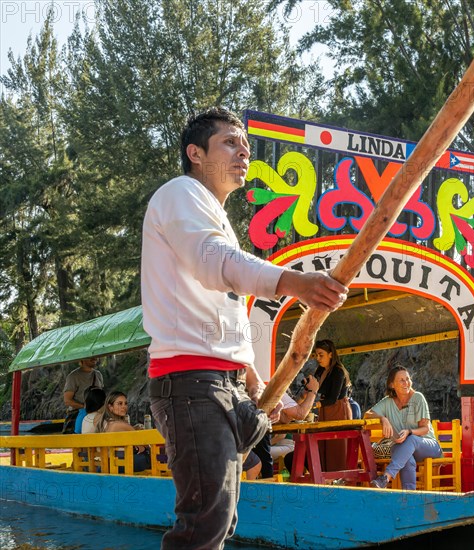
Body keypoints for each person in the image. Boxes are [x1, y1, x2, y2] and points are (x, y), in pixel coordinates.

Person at [141, 107, 348, 550]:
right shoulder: (181, 193)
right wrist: (296, 282)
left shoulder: (213, 216)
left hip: (222, 384)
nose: (244, 152)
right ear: (195, 153)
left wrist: (251, 381)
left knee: (223, 519)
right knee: (203, 524)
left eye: (246, 146)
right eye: (230, 143)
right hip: (192, 382)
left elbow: (223, 312)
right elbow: (215, 264)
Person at [367, 365, 442, 490]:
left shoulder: (418, 398)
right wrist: (383, 419)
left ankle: (386, 477)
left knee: (409, 441)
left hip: (429, 446)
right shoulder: (387, 402)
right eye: (401, 380)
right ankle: (409, 498)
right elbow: (367, 414)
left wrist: (409, 432)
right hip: (405, 448)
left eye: (407, 379)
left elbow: (425, 429)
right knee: (405, 456)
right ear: (392, 385)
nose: (406, 383)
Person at [313, 339, 353, 471]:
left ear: (331, 354)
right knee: (323, 445)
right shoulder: (320, 370)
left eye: (321, 355)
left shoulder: (338, 371)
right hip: (325, 409)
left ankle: (338, 478)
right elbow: (312, 388)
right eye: (316, 355)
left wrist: (314, 405)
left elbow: (333, 398)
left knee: (336, 447)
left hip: (338, 410)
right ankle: (323, 476)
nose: (318, 358)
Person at [95, 391, 151, 472]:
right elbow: (144, 442)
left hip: (107, 463)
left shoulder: (104, 423)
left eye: (125, 403)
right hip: (120, 463)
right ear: (110, 407)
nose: (124, 406)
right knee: (151, 455)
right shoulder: (121, 425)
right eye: (120, 404)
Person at [62, 358, 103, 433]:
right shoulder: (73, 376)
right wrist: (85, 407)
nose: (95, 358)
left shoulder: (98, 375)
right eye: (91, 356)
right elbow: (67, 401)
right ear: (82, 359)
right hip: (77, 415)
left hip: (96, 414)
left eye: (96, 356)